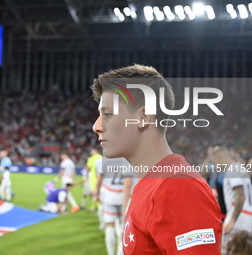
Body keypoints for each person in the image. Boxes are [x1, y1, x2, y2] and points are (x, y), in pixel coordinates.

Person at [91, 64, 222, 254]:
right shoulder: (154, 183)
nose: (96, 126)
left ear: (143, 117)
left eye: (108, 114)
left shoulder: (178, 187)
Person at [210, 146, 252, 252]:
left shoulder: (232, 171)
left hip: (239, 219)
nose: (216, 167)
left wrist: (232, 221)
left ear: (220, 157)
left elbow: (240, 196)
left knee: (226, 250)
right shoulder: (240, 168)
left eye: (215, 163)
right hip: (247, 217)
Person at [95, 156, 127, 255]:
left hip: (109, 197)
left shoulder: (103, 161)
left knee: (110, 225)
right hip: (124, 197)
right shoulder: (127, 160)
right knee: (123, 228)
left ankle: (111, 253)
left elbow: (99, 180)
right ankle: (120, 252)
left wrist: (96, 193)